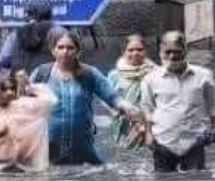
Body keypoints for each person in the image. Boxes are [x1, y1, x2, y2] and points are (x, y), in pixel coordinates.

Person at [29, 27, 140, 165]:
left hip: (83, 151)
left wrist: (129, 108)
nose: (65, 52)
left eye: (70, 48)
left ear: (78, 50)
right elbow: (22, 105)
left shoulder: (89, 74)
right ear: (53, 50)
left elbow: (113, 97)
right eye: (60, 47)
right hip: (46, 150)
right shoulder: (41, 74)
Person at [140, 31, 215, 172]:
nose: (172, 56)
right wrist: (148, 133)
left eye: (177, 51)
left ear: (185, 50)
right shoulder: (151, 78)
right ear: (161, 52)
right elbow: (147, 108)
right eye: (168, 52)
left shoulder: (204, 76)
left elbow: (214, 103)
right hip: (162, 141)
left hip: (194, 140)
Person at [0, 69, 57, 172]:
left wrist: (29, 86)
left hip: (28, 168)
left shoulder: (25, 107)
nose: (10, 92)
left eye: (12, 88)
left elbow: (50, 100)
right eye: (4, 90)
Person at [107, 34, 157, 149]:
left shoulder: (156, 74)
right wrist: (115, 110)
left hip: (149, 126)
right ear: (124, 52)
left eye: (139, 49)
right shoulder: (114, 75)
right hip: (123, 125)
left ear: (145, 52)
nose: (135, 53)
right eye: (130, 50)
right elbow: (107, 98)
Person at [0, 2, 53, 72]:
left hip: (21, 79)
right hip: (47, 79)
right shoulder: (57, 34)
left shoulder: (15, 35)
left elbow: (2, 61)